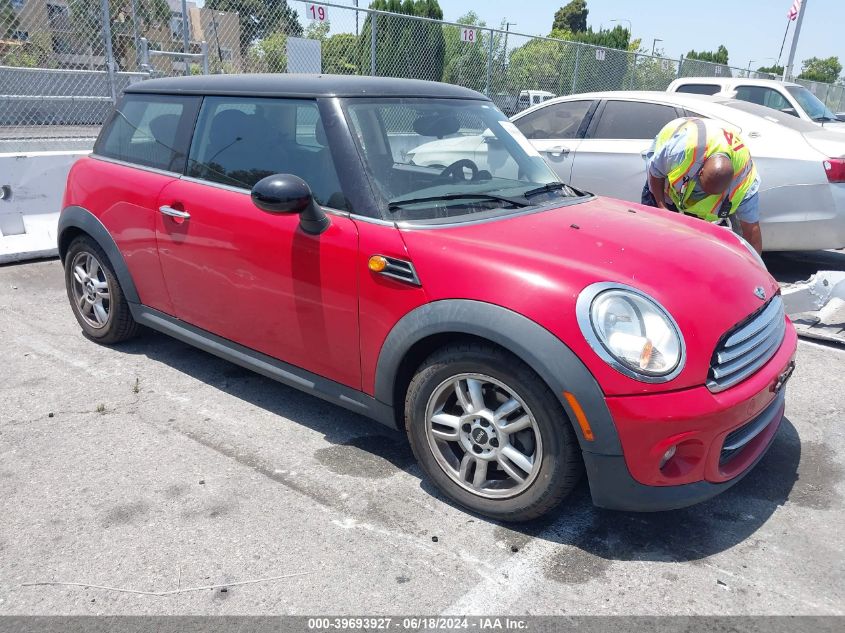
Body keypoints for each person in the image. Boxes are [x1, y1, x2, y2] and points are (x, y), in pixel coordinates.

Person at [642, 117, 762, 254]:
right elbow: (655, 172)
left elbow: (751, 229)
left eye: (712, 194)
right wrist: (662, 209)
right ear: (701, 171)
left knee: (697, 251)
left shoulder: (744, 182)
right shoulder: (681, 150)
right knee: (656, 242)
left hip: (701, 209)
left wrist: (756, 270)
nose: (705, 196)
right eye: (703, 189)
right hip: (664, 183)